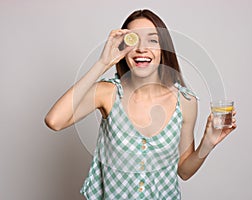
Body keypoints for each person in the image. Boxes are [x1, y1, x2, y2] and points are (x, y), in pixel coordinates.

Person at [44, 9, 237, 200]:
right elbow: (55, 121)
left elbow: (184, 171)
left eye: (152, 40)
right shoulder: (107, 93)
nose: (141, 49)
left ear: (164, 49)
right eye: (133, 40)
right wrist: (103, 63)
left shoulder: (186, 101)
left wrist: (207, 144)